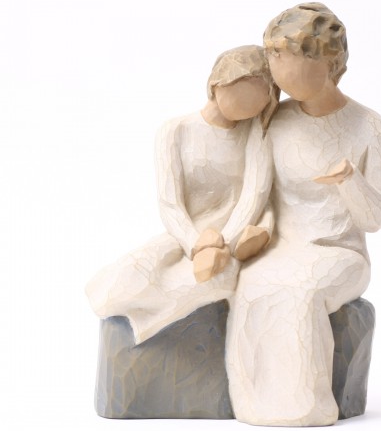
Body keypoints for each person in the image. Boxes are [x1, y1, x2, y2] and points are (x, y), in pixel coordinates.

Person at [225, 3, 381, 426]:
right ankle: (253, 404)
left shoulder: (368, 126)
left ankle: (306, 406)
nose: (274, 67)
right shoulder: (274, 121)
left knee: (301, 290)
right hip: (284, 249)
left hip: (340, 253)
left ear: (327, 62)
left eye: (285, 56)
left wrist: (349, 180)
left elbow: (375, 218)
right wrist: (222, 242)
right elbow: (253, 195)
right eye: (272, 55)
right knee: (253, 285)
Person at [86, 45, 279, 345]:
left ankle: (159, 338)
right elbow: (169, 202)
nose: (248, 108)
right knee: (131, 275)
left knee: (207, 281)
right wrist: (194, 242)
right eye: (242, 94)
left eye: (258, 102)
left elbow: (255, 193)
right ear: (218, 83)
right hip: (188, 233)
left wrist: (225, 241)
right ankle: (127, 329)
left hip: (232, 231)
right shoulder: (175, 130)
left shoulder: (256, 134)